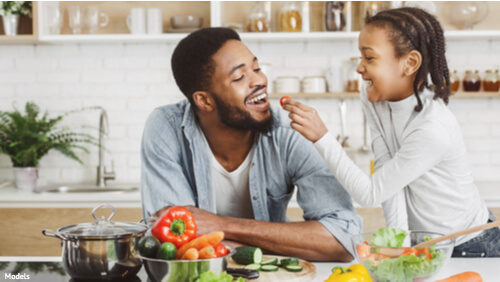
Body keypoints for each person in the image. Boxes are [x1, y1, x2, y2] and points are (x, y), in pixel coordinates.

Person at [282, 7, 499, 257]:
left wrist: (322, 137)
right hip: (427, 246)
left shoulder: (432, 128)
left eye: (370, 58)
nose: (359, 68)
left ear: (409, 63)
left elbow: (370, 193)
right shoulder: (375, 97)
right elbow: (388, 178)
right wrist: (400, 246)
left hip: (470, 244)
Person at [140, 27, 362, 261]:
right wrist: (286, 243)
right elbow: (174, 245)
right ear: (204, 100)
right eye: (239, 77)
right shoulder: (166, 128)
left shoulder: (291, 131)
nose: (260, 80)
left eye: (256, 68)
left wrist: (221, 225)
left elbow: (343, 241)